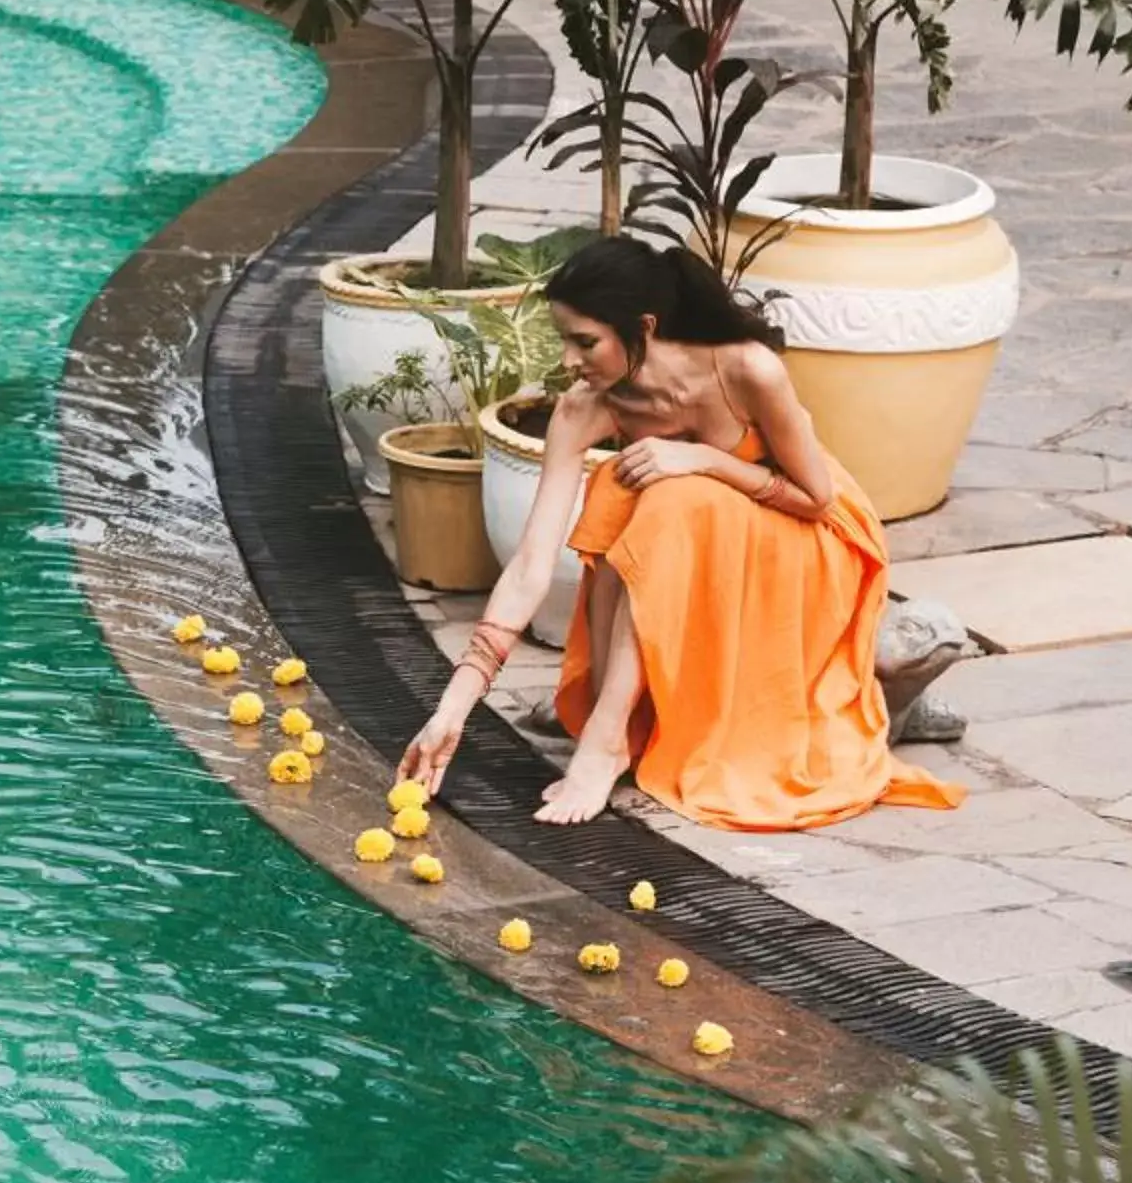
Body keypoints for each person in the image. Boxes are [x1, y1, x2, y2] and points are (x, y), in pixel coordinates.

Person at [396, 235, 963, 831]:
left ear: (643, 326)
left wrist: (706, 461)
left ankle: (608, 736)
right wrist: (453, 708)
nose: (567, 361)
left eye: (584, 341)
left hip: (808, 536)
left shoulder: (747, 368)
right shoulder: (583, 409)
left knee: (671, 493)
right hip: (694, 544)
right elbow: (531, 563)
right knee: (626, 486)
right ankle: (619, 715)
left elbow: (817, 500)